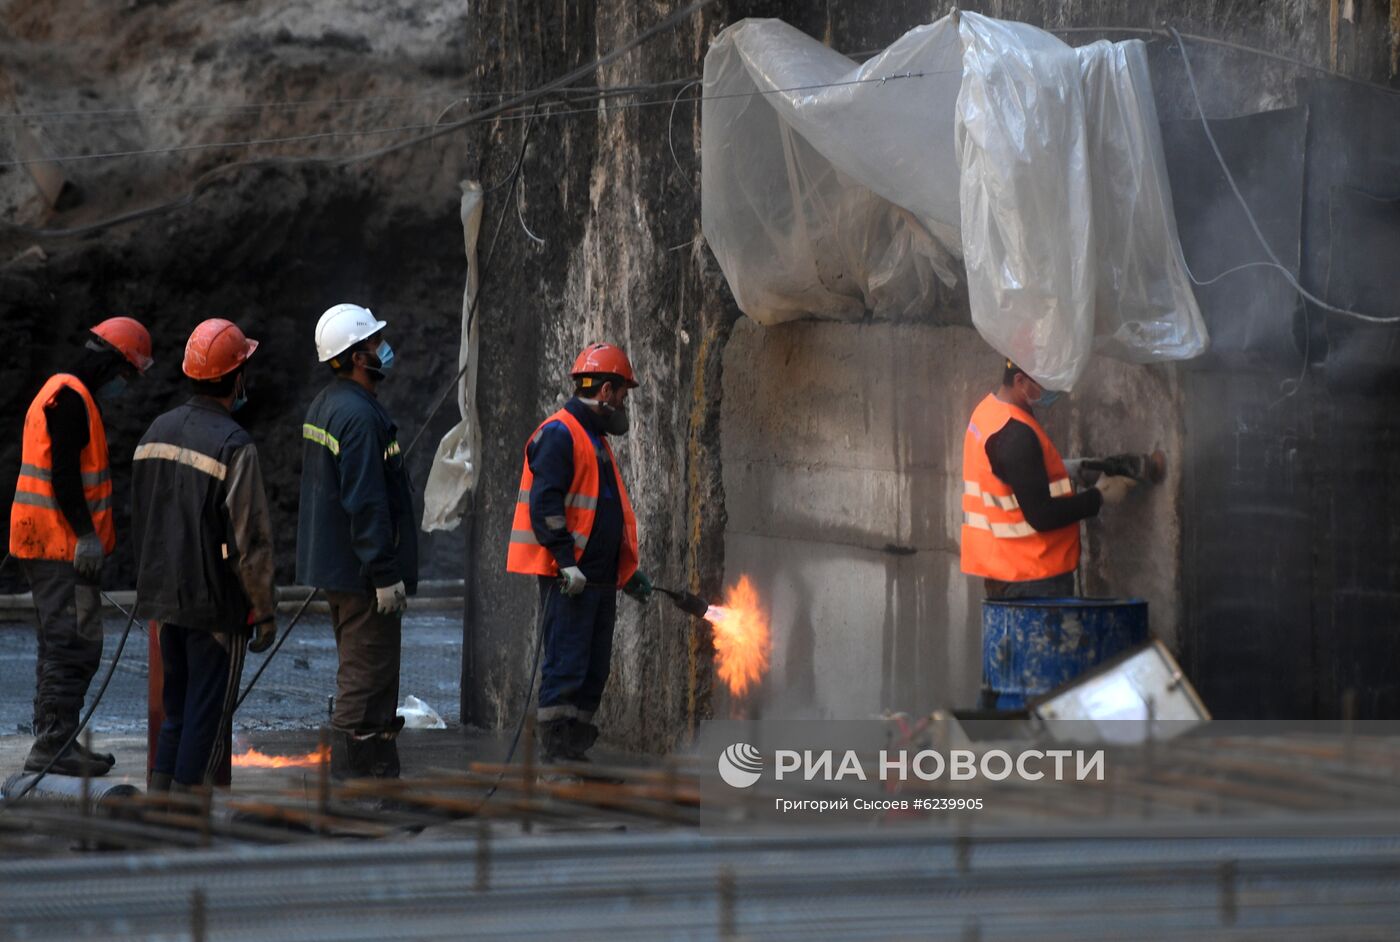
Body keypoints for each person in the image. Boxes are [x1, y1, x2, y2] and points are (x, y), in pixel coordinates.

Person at [131, 319, 276, 793]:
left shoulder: (155, 431)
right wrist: (265, 610)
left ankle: (160, 801)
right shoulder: (235, 445)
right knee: (207, 717)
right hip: (215, 603)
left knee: (176, 706)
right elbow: (250, 540)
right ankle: (191, 813)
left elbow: (145, 516)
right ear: (236, 378)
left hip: (163, 601)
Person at [10, 316, 153, 777]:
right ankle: (53, 744)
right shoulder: (70, 399)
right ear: (114, 362)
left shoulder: (65, 393)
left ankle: (57, 739)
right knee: (73, 644)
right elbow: (65, 476)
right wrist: (85, 535)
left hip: (50, 544)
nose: (125, 386)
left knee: (61, 643)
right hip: (59, 548)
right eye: (128, 374)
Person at [506, 342, 653, 764]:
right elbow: (545, 505)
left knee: (593, 670)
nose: (624, 403)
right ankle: (556, 754)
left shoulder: (593, 439)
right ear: (606, 391)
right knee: (567, 664)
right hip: (570, 579)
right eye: (623, 394)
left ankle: (573, 749)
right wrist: (566, 561)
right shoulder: (560, 434)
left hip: (600, 580)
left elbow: (604, 511)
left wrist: (626, 574)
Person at [297, 303, 417, 780]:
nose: (381, 350)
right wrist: (385, 573)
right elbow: (366, 500)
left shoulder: (330, 404)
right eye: (372, 345)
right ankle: (350, 783)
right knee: (365, 674)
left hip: (341, 566)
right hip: (364, 572)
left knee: (375, 670)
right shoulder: (358, 417)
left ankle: (377, 769)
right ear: (354, 357)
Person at [960, 359, 1136, 600]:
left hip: (1005, 569)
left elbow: (1004, 473)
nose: (1052, 391)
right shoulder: (1016, 434)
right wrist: (1099, 495)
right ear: (1020, 380)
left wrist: (1067, 469)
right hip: (1033, 576)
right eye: (1045, 383)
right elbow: (1042, 516)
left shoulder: (988, 413)